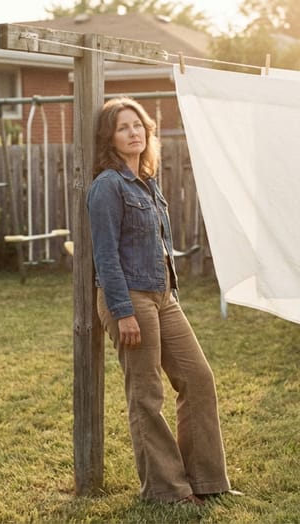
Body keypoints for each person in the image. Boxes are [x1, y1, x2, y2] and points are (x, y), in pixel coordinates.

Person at [87, 97, 233, 505]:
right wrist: (122, 311)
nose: (134, 132)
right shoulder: (107, 186)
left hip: (163, 295)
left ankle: (206, 480)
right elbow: (105, 255)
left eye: (138, 125)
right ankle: (167, 490)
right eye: (123, 127)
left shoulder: (148, 182)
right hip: (129, 298)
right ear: (109, 138)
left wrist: (167, 292)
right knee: (147, 394)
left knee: (198, 379)